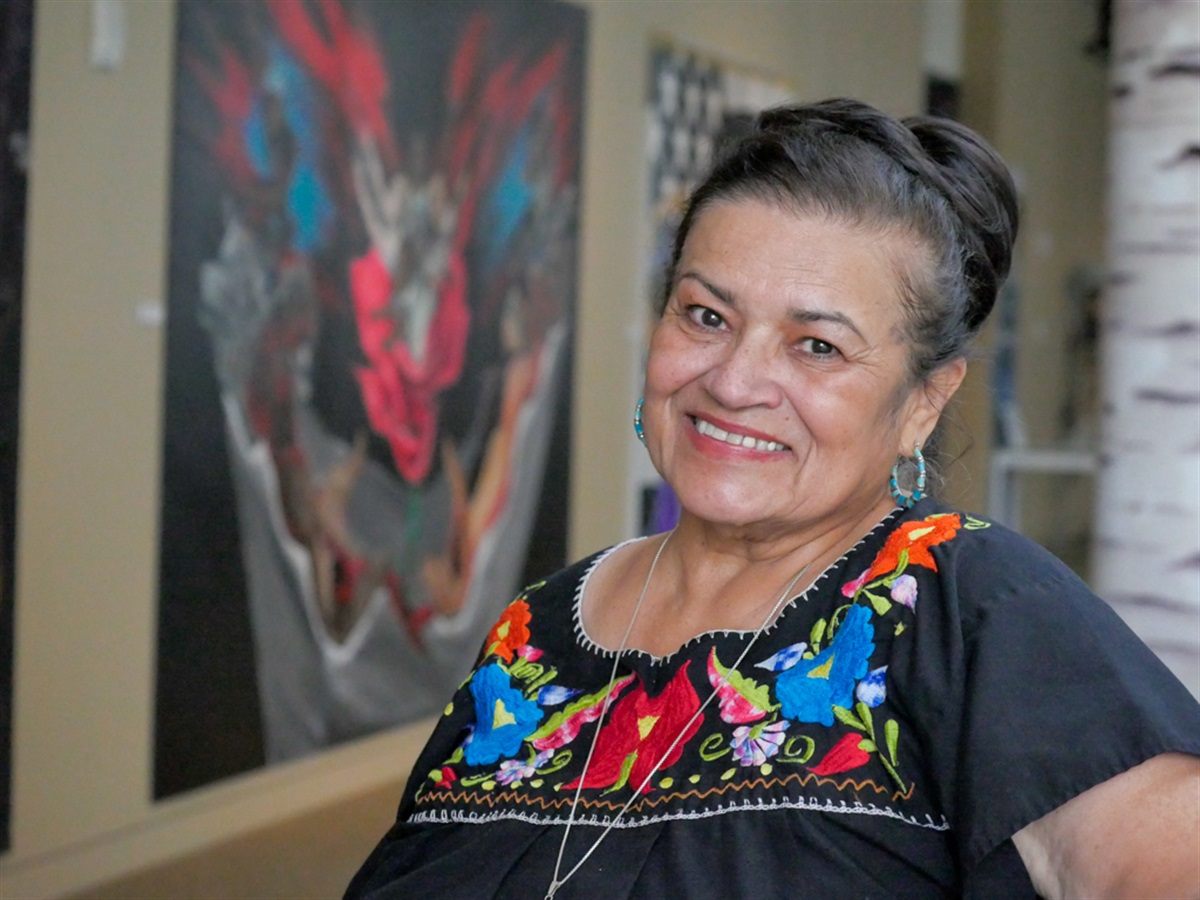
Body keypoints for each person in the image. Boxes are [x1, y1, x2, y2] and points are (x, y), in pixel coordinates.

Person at [345, 99, 1200, 898]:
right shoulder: (534, 629)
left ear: (922, 402)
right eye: (706, 316)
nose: (734, 381)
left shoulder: (973, 611)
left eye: (817, 346)